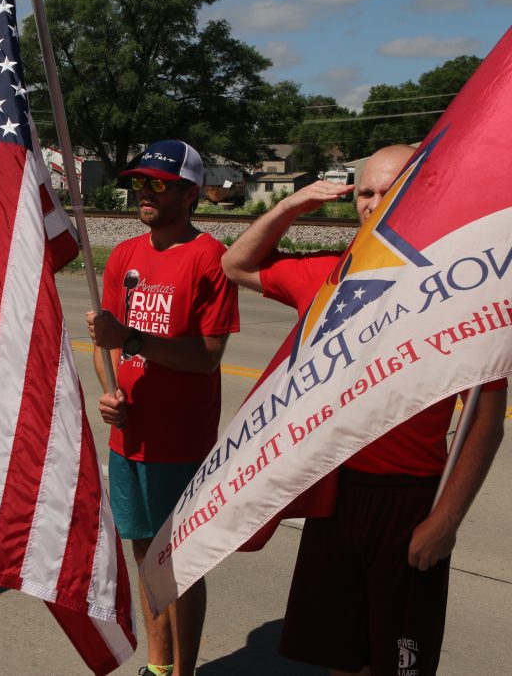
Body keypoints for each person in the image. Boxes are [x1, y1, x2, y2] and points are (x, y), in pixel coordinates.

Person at [221, 144, 506, 676]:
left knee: (398, 666)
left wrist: (446, 520)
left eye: (389, 191)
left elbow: (485, 422)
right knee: (340, 660)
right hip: (335, 493)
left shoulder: (458, 288)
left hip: (411, 499)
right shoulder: (328, 277)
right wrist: (290, 205)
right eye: (365, 192)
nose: (373, 203)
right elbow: (235, 265)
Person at [86, 140, 239, 676]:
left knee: (180, 565)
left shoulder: (209, 257)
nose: (144, 193)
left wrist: (132, 339)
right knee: (145, 559)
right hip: (129, 439)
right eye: (140, 182)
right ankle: (157, 666)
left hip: (179, 443)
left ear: (190, 193)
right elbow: (106, 345)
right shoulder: (124, 255)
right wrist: (110, 391)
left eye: (158, 184)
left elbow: (208, 356)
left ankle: (183, 672)